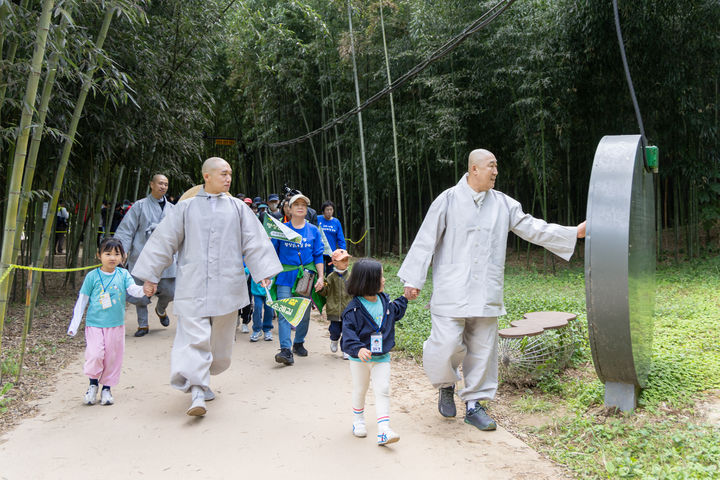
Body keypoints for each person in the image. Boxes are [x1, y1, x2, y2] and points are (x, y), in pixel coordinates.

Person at [398, 149, 586, 431]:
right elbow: (426, 239)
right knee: (445, 343)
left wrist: (574, 233)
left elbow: (533, 227)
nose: (496, 172)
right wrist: (413, 279)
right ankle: (447, 384)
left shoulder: (503, 204)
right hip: (452, 288)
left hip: (486, 289)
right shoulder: (448, 200)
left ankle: (475, 404)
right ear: (474, 169)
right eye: (491, 166)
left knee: (483, 349)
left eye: (496, 166)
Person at [132, 157, 282, 416]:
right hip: (193, 284)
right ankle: (198, 390)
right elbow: (163, 242)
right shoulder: (185, 208)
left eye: (230, 174)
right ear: (207, 176)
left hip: (228, 284)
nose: (228, 178)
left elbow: (254, 242)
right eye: (223, 173)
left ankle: (203, 376)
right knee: (194, 336)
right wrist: (150, 275)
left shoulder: (238, 208)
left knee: (220, 342)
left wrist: (263, 272)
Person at [67, 237, 148, 406]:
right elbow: (82, 301)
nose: (112, 257)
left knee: (112, 357)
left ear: (123, 257)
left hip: (116, 325)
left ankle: (107, 389)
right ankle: (93, 386)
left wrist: (145, 290)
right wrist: (74, 326)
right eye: (108, 253)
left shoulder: (123, 274)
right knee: (95, 354)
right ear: (99, 255)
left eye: (116, 254)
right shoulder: (92, 276)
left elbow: (133, 290)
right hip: (95, 324)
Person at [341, 258, 410, 446]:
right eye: (381, 276)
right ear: (368, 281)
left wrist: (405, 298)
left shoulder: (385, 301)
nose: (384, 279)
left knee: (383, 389)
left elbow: (396, 311)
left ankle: (384, 430)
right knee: (360, 389)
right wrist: (358, 348)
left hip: (382, 357)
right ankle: (358, 420)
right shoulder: (353, 310)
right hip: (359, 360)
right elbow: (347, 335)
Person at [114, 174, 176, 337]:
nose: (163, 186)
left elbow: (179, 233)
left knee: (170, 291)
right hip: (142, 255)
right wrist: (122, 251)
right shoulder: (139, 206)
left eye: (166, 184)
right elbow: (127, 230)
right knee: (140, 292)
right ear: (151, 184)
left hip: (165, 258)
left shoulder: (173, 209)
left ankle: (161, 309)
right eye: (160, 183)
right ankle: (143, 324)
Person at [271, 191, 324, 366]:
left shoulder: (313, 231)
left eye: (304, 205)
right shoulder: (281, 229)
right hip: (285, 276)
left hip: (306, 277)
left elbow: (318, 256)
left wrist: (321, 277)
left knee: (303, 313)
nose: (301, 207)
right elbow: (272, 253)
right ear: (289, 209)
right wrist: (268, 274)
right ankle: (285, 350)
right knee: (285, 311)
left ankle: (298, 342)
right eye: (296, 205)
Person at [317, 249, 352, 358]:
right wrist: (321, 288)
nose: (346, 262)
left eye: (347, 260)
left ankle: (345, 350)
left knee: (347, 331)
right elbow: (325, 292)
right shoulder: (330, 277)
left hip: (348, 310)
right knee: (335, 330)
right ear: (335, 262)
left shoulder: (351, 276)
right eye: (343, 260)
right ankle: (334, 340)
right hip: (334, 310)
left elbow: (355, 291)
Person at [245, 266, 274, 342]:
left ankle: (267, 330)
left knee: (269, 310)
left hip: (269, 292)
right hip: (257, 292)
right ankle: (257, 330)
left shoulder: (269, 262)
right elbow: (245, 270)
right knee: (257, 309)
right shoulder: (254, 262)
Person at [318, 201, 347, 275]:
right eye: (327, 210)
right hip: (319, 251)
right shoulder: (318, 219)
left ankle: (328, 286)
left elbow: (340, 238)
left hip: (331, 253)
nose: (329, 212)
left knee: (330, 272)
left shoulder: (336, 222)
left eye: (331, 209)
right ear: (323, 211)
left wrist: (342, 251)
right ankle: (320, 286)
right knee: (320, 271)